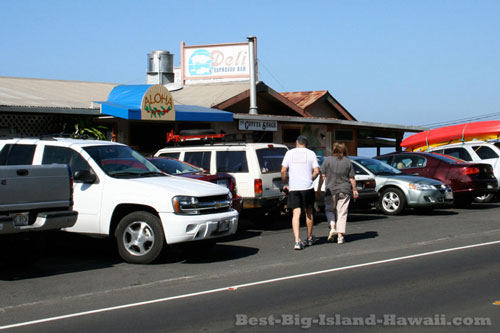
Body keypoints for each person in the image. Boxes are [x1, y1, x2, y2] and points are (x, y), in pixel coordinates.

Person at [281, 135, 320, 250]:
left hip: (294, 187)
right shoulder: (311, 153)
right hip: (307, 187)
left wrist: (286, 182)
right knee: (309, 211)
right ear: (306, 144)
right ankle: (309, 237)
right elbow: (317, 171)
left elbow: (283, 170)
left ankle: (297, 240)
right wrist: (310, 178)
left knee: (296, 214)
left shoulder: (290, 153)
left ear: (297, 143)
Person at [317, 142, 359, 244]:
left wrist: (319, 189)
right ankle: (340, 236)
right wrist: (354, 189)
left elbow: (322, 176)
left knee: (329, 210)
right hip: (344, 190)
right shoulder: (348, 162)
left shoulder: (327, 160)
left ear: (334, 149)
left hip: (330, 190)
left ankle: (332, 228)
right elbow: (352, 178)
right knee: (342, 213)